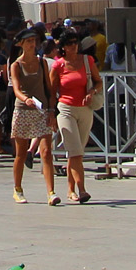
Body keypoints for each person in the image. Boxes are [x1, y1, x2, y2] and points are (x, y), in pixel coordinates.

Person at [6, 29, 58, 206]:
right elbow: (16, 89)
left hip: (41, 109)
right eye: (28, 41)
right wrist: (26, 99)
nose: (32, 44)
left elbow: (49, 89)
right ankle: (17, 189)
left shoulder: (42, 62)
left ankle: (51, 192)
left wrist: (52, 111)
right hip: (23, 110)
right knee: (21, 153)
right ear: (21, 44)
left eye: (34, 41)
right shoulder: (16, 65)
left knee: (46, 152)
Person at [50, 31, 99, 206]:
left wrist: (91, 91)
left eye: (75, 42)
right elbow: (51, 91)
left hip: (85, 109)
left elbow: (98, 81)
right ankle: (82, 189)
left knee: (76, 152)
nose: (73, 46)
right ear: (63, 47)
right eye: (69, 43)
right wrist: (51, 114)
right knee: (75, 151)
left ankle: (70, 190)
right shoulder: (58, 66)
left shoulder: (87, 60)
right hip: (66, 109)